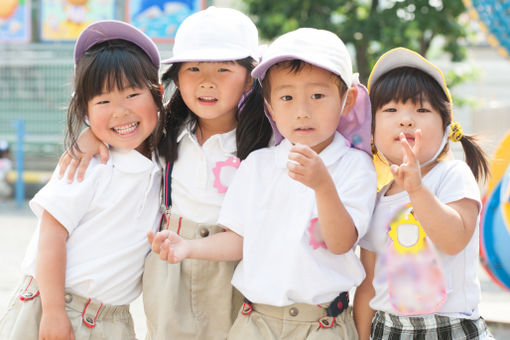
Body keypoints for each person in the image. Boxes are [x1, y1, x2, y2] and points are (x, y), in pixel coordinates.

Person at [56, 7, 272, 340]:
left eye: (224, 69)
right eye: (194, 68)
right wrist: (89, 135)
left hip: (235, 266)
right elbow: (118, 126)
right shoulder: (164, 132)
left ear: (249, 79)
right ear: (175, 78)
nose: (206, 81)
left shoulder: (264, 140)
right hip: (170, 263)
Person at [153, 27, 377, 339]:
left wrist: (323, 186)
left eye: (317, 95)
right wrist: (189, 247)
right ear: (270, 106)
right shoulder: (259, 164)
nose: (302, 111)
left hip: (323, 322)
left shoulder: (355, 166)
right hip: (255, 322)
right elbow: (241, 239)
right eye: (286, 97)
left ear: (347, 100)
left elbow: (340, 243)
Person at [0, 20, 164, 340]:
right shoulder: (88, 165)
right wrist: (53, 312)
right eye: (103, 101)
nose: (120, 112)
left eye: (132, 94)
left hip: (113, 319)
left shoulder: (165, 160)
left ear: (157, 94)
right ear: (85, 110)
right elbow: (51, 233)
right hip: (56, 307)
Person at [352, 47, 494, 340]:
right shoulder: (377, 197)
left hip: (451, 327)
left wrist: (416, 189)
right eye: (390, 110)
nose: (405, 120)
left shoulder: (452, 176)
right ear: (372, 131)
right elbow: (367, 285)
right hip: (388, 329)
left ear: (446, 127)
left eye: (421, 110)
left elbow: (454, 239)